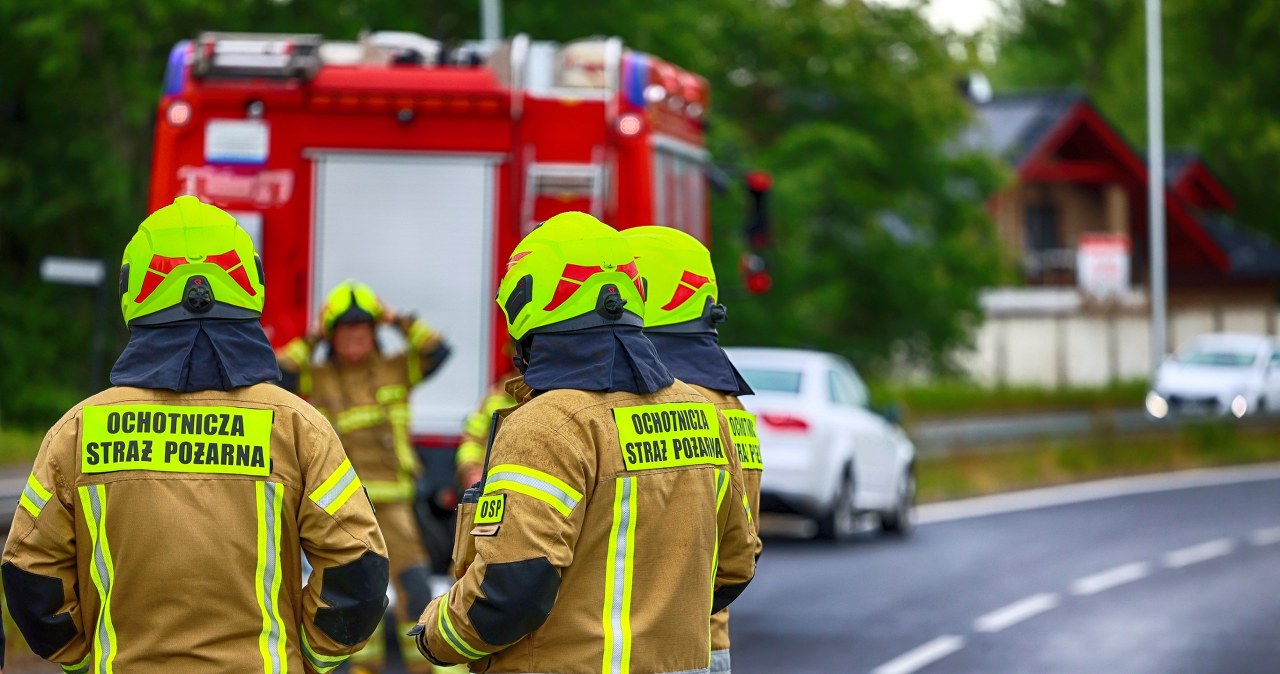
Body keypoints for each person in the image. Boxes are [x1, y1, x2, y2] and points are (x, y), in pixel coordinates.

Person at [2, 195, 389, 673]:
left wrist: (85, 662)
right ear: (250, 285)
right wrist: (306, 658)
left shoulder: (77, 432)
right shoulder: (297, 426)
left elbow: (30, 577)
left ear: (134, 292)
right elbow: (359, 571)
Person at [410, 211, 758, 672]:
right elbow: (735, 563)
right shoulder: (701, 411)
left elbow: (510, 590)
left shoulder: (548, 424)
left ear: (529, 300)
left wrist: (435, 636)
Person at [277, 279, 450, 673]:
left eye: (363, 329)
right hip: (347, 505)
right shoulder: (318, 376)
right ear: (331, 336)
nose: (355, 338)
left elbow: (437, 351)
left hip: (396, 505)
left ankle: (424, 665)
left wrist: (396, 319)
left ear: (374, 333)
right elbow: (278, 373)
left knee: (416, 590)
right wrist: (313, 335)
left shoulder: (397, 368)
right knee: (357, 592)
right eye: (344, 331)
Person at [622, 226, 764, 674]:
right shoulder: (731, 404)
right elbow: (744, 548)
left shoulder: (639, 398)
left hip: (631, 648)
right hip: (706, 645)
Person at [454, 364, 518, 491]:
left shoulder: (545, 397)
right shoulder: (495, 396)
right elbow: (471, 439)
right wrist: (471, 469)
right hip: (490, 486)